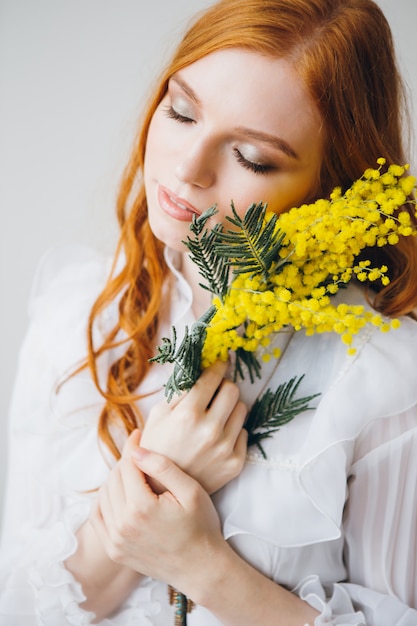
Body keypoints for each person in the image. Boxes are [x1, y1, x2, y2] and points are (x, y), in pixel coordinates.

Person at [1, 0, 417, 624]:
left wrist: (204, 567)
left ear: (331, 185)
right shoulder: (76, 315)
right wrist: (155, 483)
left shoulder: (382, 376)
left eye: (252, 157)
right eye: (182, 111)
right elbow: (24, 604)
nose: (187, 168)